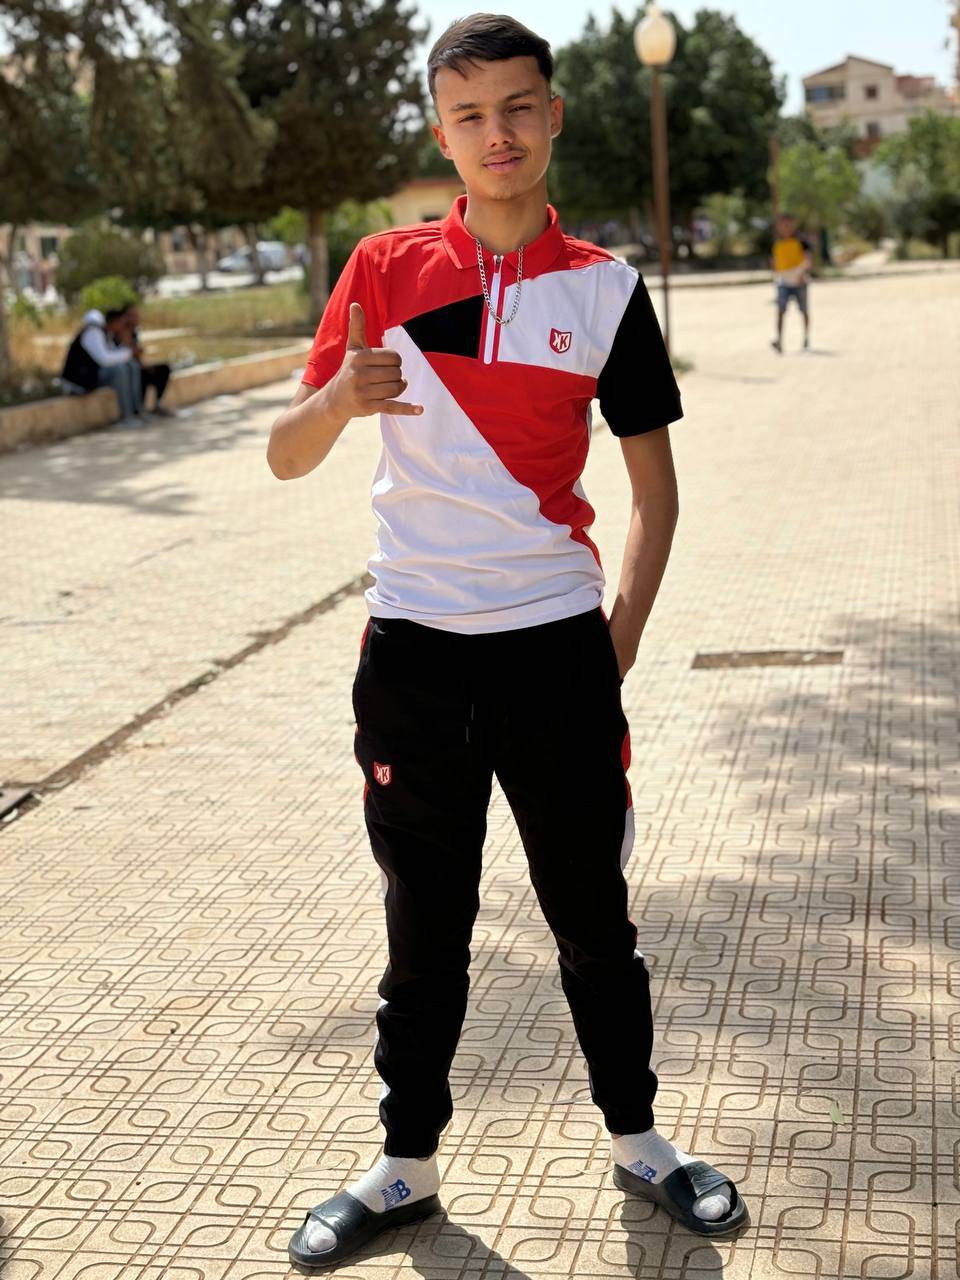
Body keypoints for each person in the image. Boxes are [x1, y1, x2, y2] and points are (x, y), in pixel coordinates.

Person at [268, 15, 749, 1269]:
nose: (499, 133)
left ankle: (641, 1140)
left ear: (553, 116)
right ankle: (405, 1167)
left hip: (556, 652)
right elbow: (284, 454)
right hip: (414, 656)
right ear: (443, 133)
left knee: (594, 916)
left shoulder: (605, 289)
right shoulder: (382, 268)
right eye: (471, 114)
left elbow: (655, 491)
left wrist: (616, 641)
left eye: (520, 107)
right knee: (423, 921)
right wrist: (339, 396)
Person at [60, 308, 145, 425]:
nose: (124, 327)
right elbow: (105, 360)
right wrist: (130, 353)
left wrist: (127, 346)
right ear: (115, 322)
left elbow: (115, 354)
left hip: (91, 376)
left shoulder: (106, 334)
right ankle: (126, 416)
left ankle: (137, 411)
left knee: (132, 366)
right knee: (120, 370)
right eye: (123, 323)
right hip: (79, 382)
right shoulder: (93, 332)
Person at [115, 305, 176, 416]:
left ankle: (157, 404)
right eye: (133, 315)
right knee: (140, 373)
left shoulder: (134, 332)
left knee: (163, 369)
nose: (136, 318)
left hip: (136, 365)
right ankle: (138, 409)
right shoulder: (119, 332)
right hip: (126, 369)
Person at [771, 212, 812, 353]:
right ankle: (779, 340)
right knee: (780, 310)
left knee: (804, 311)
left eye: (787, 224)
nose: (785, 227)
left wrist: (801, 274)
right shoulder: (778, 242)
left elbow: (808, 260)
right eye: (782, 225)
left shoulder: (801, 241)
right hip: (783, 281)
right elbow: (776, 261)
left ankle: (806, 338)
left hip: (799, 280)